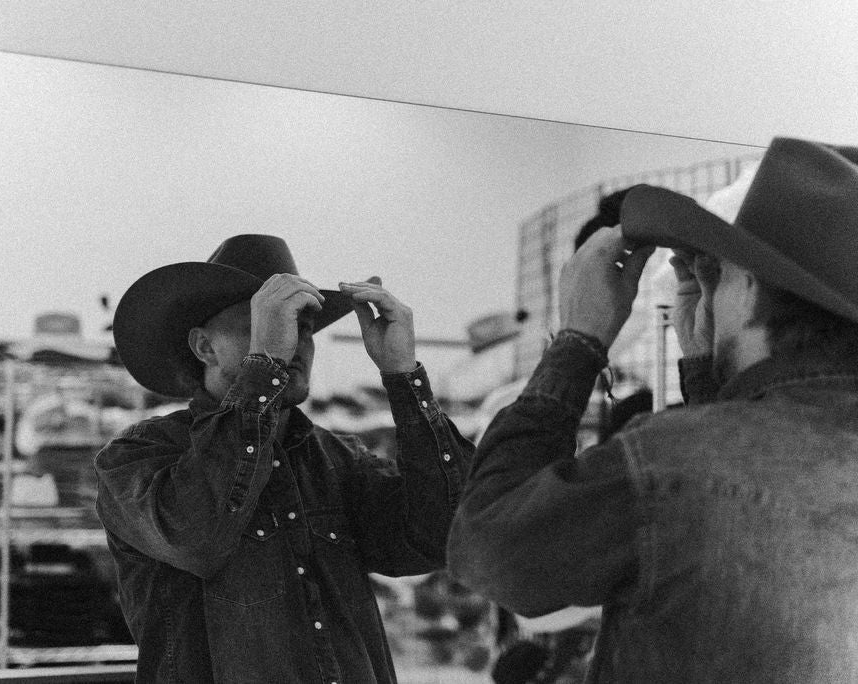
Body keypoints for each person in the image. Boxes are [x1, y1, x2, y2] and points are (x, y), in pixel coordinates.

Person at [446, 137, 858, 682]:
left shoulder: (670, 461)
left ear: (752, 284)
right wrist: (703, 365)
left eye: (721, 272)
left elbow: (491, 549)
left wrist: (577, 342)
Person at [95, 234, 474, 683]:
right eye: (267, 326)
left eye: (303, 329)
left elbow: (439, 537)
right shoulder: (137, 457)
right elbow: (195, 536)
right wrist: (264, 367)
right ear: (204, 347)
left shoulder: (336, 458)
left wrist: (403, 376)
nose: (293, 344)